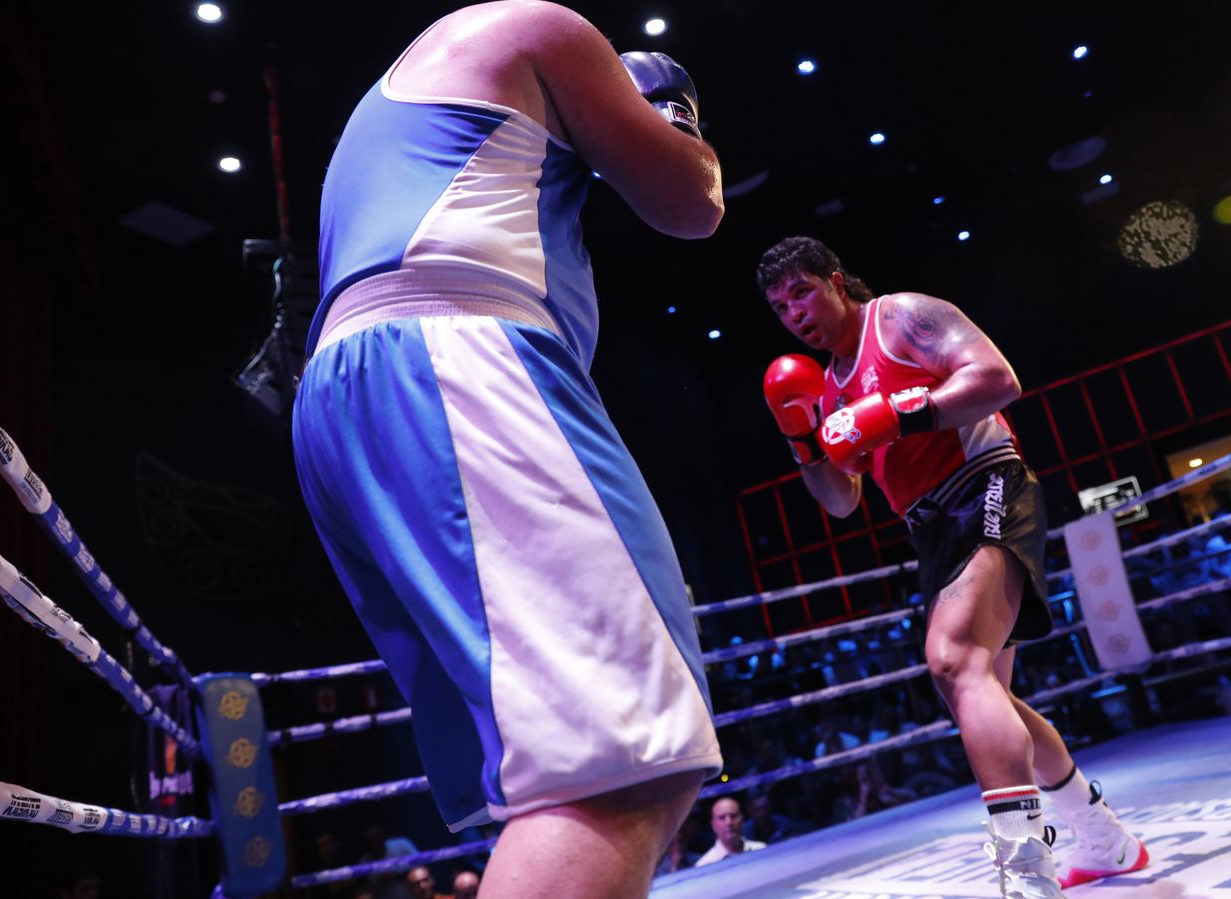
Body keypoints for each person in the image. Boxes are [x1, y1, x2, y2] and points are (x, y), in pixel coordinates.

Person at [292, 4, 725, 897]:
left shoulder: (416, 96)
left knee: (560, 777)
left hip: (360, 391)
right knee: (624, 769)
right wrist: (676, 114)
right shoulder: (541, 29)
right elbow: (693, 204)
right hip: (453, 356)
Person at [757, 237, 1147, 898]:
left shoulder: (903, 316)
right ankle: (1105, 838)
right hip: (931, 527)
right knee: (980, 692)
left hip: (986, 481)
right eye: (778, 305)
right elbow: (841, 500)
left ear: (835, 279)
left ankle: (1027, 874)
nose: (793, 312)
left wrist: (901, 411)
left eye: (800, 291)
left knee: (953, 658)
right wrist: (802, 437)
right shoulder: (825, 386)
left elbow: (999, 379)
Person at [695, 797, 768, 866]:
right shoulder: (705, 864)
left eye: (733, 816)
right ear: (713, 825)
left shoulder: (762, 849)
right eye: (722, 818)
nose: (729, 822)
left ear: (742, 821)